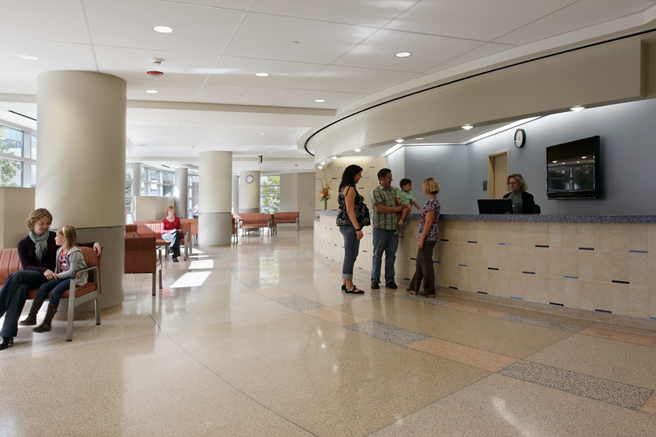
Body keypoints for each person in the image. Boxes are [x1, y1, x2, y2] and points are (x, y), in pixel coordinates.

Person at [0, 209, 101, 351]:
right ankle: (6, 336)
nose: (45, 226)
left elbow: (74, 243)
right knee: (20, 287)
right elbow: (27, 266)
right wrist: (44, 270)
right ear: (32, 223)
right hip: (35, 275)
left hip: (52, 277)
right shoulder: (23, 243)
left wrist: (94, 243)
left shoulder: (54, 237)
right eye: (42, 223)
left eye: (48, 223)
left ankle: (4, 330)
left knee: (17, 276)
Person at [21, 226, 87, 333]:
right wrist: (55, 276)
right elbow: (59, 268)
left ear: (64, 238)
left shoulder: (75, 253)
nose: (54, 238)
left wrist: (57, 276)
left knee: (56, 291)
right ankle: (31, 317)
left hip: (75, 278)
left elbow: (72, 272)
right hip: (63, 276)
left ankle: (47, 323)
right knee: (44, 287)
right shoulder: (59, 251)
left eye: (57, 236)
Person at [369, 168, 410, 290]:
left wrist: (407, 205)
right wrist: (396, 209)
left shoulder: (395, 191)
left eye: (391, 177)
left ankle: (390, 280)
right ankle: (375, 280)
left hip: (393, 229)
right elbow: (380, 208)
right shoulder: (376, 192)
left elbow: (405, 201)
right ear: (381, 179)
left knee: (391, 255)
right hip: (380, 228)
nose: (392, 179)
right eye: (389, 177)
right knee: (377, 255)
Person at [407, 178, 441, 297]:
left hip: (428, 237)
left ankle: (429, 290)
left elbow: (428, 222)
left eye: (423, 186)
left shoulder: (432, 202)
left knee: (426, 264)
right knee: (420, 263)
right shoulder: (432, 201)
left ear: (427, 187)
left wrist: (422, 239)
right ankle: (414, 287)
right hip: (428, 236)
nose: (422, 188)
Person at [336, 164, 366, 294]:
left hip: (346, 225)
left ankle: (345, 281)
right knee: (351, 254)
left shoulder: (343, 187)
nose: (360, 177)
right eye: (359, 174)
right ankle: (349, 285)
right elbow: (350, 210)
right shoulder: (350, 189)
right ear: (352, 174)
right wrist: (357, 228)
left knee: (351, 254)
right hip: (350, 226)